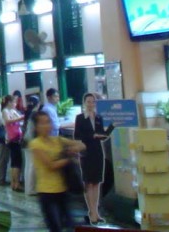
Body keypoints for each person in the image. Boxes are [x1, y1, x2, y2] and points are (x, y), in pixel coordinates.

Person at [29, 110, 86, 232]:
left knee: (70, 225)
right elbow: (51, 165)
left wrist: (72, 149)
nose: (46, 126)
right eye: (42, 123)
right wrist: (69, 158)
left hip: (63, 189)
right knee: (55, 226)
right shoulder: (35, 144)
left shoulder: (58, 140)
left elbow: (83, 145)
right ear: (36, 127)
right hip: (46, 191)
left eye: (48, 122)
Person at [74, 92, 110, 224]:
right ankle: (92, 212)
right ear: (84, 103)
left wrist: (108, 131)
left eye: (93, 102)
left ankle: (96, 210)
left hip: (98, 151)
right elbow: (77, 136)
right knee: (88, 182)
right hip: (86, 152)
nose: (90, 104)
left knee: (97, 182)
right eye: (88, 102)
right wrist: (92, 136)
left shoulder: (99, 117)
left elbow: (102, 134)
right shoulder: (80, 118)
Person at [1, 94, 25, 191]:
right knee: (16, 162)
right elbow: (8, 121)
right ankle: (16, 183)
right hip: (13, 139)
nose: (15, 104)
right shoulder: (5, 111)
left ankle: (14, 183)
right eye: (14, 102)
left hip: (17, 138)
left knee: (15, 162)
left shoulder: (13, 111)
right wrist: (21, 118)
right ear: (9, 102)